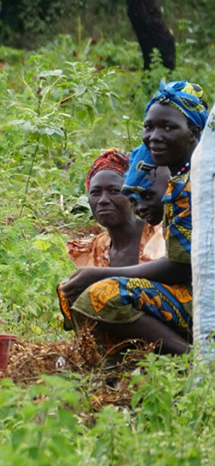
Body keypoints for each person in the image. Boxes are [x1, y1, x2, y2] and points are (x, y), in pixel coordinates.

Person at [59, 81, 208, 355]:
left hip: (204, 300)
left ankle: (194, 359)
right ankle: (114, 364)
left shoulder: (190, 187)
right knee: (78, 291)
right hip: (193, 293)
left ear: (194, 134)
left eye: (168, 127)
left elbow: (180, 268)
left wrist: (99, 274)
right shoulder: (183, 180)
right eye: (149, 127)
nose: (154, 136)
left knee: (102, 294)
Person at [57, 148, 165, 329]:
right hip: (119, 333)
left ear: (132, 196)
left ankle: (183, 352)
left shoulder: (158, 235)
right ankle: (101, 355)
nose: (103, 200)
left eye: (114, 191)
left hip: (168, 321)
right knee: (68, 289)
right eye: (95, 193)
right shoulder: (94, 248)